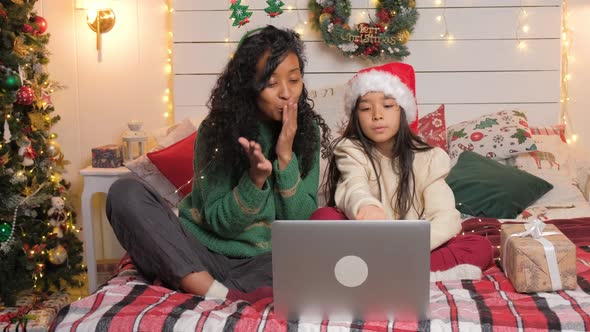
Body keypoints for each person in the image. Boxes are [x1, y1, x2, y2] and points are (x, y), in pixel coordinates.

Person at [106, 25, 330, 302]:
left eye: (294, 80)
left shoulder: (307, 134)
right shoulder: (217, 131)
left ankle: (197, 284)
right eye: (271, 84)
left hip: (264, 263)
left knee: (313, 261)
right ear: (249, 87)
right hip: (201, 250)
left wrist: (285, 156)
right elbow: (221, 224)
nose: (286, 93)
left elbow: (301, 225)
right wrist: (254, 180)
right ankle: (209, 289)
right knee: (124, 193)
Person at [313, 62, 493, 281]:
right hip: (364, 243)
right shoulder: (350, 150)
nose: (377, 115)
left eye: (387, 106)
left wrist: (407, 246)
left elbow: (445, 216)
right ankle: (412, 273)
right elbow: (353, 186)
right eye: (366, 108)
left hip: (409, 246)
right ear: (356, 116)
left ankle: (376, 271)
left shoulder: (430, 158)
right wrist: (366, 206)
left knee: (480, 246)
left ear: (403, 111)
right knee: (323, 218)